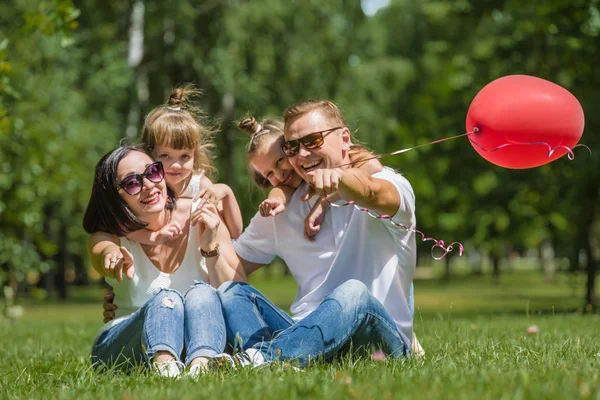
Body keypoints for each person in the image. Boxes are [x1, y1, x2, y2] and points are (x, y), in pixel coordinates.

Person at [218, 100, 418, 367]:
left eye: (312, 141)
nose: (301, 155)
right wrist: (211, 232)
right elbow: (232, 266)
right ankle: (279, 356)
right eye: (291, 147)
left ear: (344, 139)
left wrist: (339, 178)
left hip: (377, 341)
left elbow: (371, 191)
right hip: (303, 329)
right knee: (232, 293)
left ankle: (261, 358)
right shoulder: (282, 208)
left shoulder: (393, 184)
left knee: (352, 293)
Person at [84, 145, 245, 378]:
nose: (149, 185)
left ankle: (200, 366)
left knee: (203, 294)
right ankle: (164, 368)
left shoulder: (202, 215)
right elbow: (100, 250)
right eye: (132, 182)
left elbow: (237, 296)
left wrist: (210, 248)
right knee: (166, 299)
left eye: (152, 172)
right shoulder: (110, 235)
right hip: (121, 345)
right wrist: (111, 255)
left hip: (196, 341)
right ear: (113, 197)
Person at [129, 84, 243, 244]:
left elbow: (235, 232)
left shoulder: (200, 186)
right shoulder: (145, 186)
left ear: (194, 155)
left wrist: (227, 192)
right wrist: (153, 237)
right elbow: (123, 228)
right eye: (165, 155)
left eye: (184, 156)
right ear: (149, 153)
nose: (176, 165)